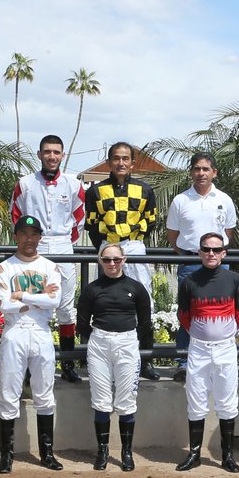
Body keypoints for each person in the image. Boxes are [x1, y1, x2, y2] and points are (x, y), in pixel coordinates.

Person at [10, 135, 86, 382]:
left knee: (65, 307)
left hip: (63, 245)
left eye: (56, 152)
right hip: (36, 246)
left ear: (62, 155)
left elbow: (79, 218)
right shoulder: (25, 183)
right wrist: (30, 241)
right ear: (40, 154)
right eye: (47, 152)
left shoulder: (73, 184)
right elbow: (16, 214)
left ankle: (67, 363)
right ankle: (30, 368)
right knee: (32, 305)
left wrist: (64, 240)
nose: (52, 156)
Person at [0, 215, 63, 473]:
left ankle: (47, 453)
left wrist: (23, 295)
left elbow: (55, 300)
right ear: (16, 236)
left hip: (41, 331)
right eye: (24, 234)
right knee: (9, 393)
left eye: (34, 234)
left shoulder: (50, 266)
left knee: (45, 393)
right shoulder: (4, 267)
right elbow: (4, 304)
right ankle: (6, 456)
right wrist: (38, 299)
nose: (29, 239)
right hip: (15, 331)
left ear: (40, 238)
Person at [84, 141, 160, 380]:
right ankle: (99, 360)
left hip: (135, 245)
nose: (121, 163)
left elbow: (151, 221)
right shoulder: (95, 191)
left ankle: (145, 360)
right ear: (109, 161)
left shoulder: (145, 189)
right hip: (108, 245)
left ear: (132, 163)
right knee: (106, 297)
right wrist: (107, 245)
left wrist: (130, 239)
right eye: (116, 158)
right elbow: (92, 225)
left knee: (143, 299)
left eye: (125, 158)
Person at [175, 233, 239, 473]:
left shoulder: (235, 279)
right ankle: (194, 454)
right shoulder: (189, 282)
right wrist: (203, 335)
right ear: (199, 252)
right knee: (195, 402)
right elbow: (184, 316)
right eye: (206, 249)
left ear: (224, 253)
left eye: (216, 250)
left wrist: (223, 335)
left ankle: (227, 456)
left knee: (227, 402)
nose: (211, 254)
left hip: (226, 348)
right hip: (198, 349)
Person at [78, 245, 154, 472]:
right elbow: (82, 322)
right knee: (101, 400)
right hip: (99, 343)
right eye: (107, 260)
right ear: (100, 260)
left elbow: (145, 321)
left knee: (126, 400)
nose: (112, 264)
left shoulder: (136, 288)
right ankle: (103, 451)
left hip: (127, 343)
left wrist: (126, 338)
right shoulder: (92, 289)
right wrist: (101, 337)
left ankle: (126, 452)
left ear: (124, 259)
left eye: (117, 259)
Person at [165, 152, 237, 382]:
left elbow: (229, 232)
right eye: (197, 169)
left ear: (214, 172)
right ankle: (185, 363)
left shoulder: (224, 199)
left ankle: (220, 362)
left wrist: (213, 254)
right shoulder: (180, 201)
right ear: (191, 172)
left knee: (220, 313)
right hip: (190, 264)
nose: (201, 173)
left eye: (206, 169)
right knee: (188, 313)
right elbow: (173, 235)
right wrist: (190, 254)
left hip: (219, 267)